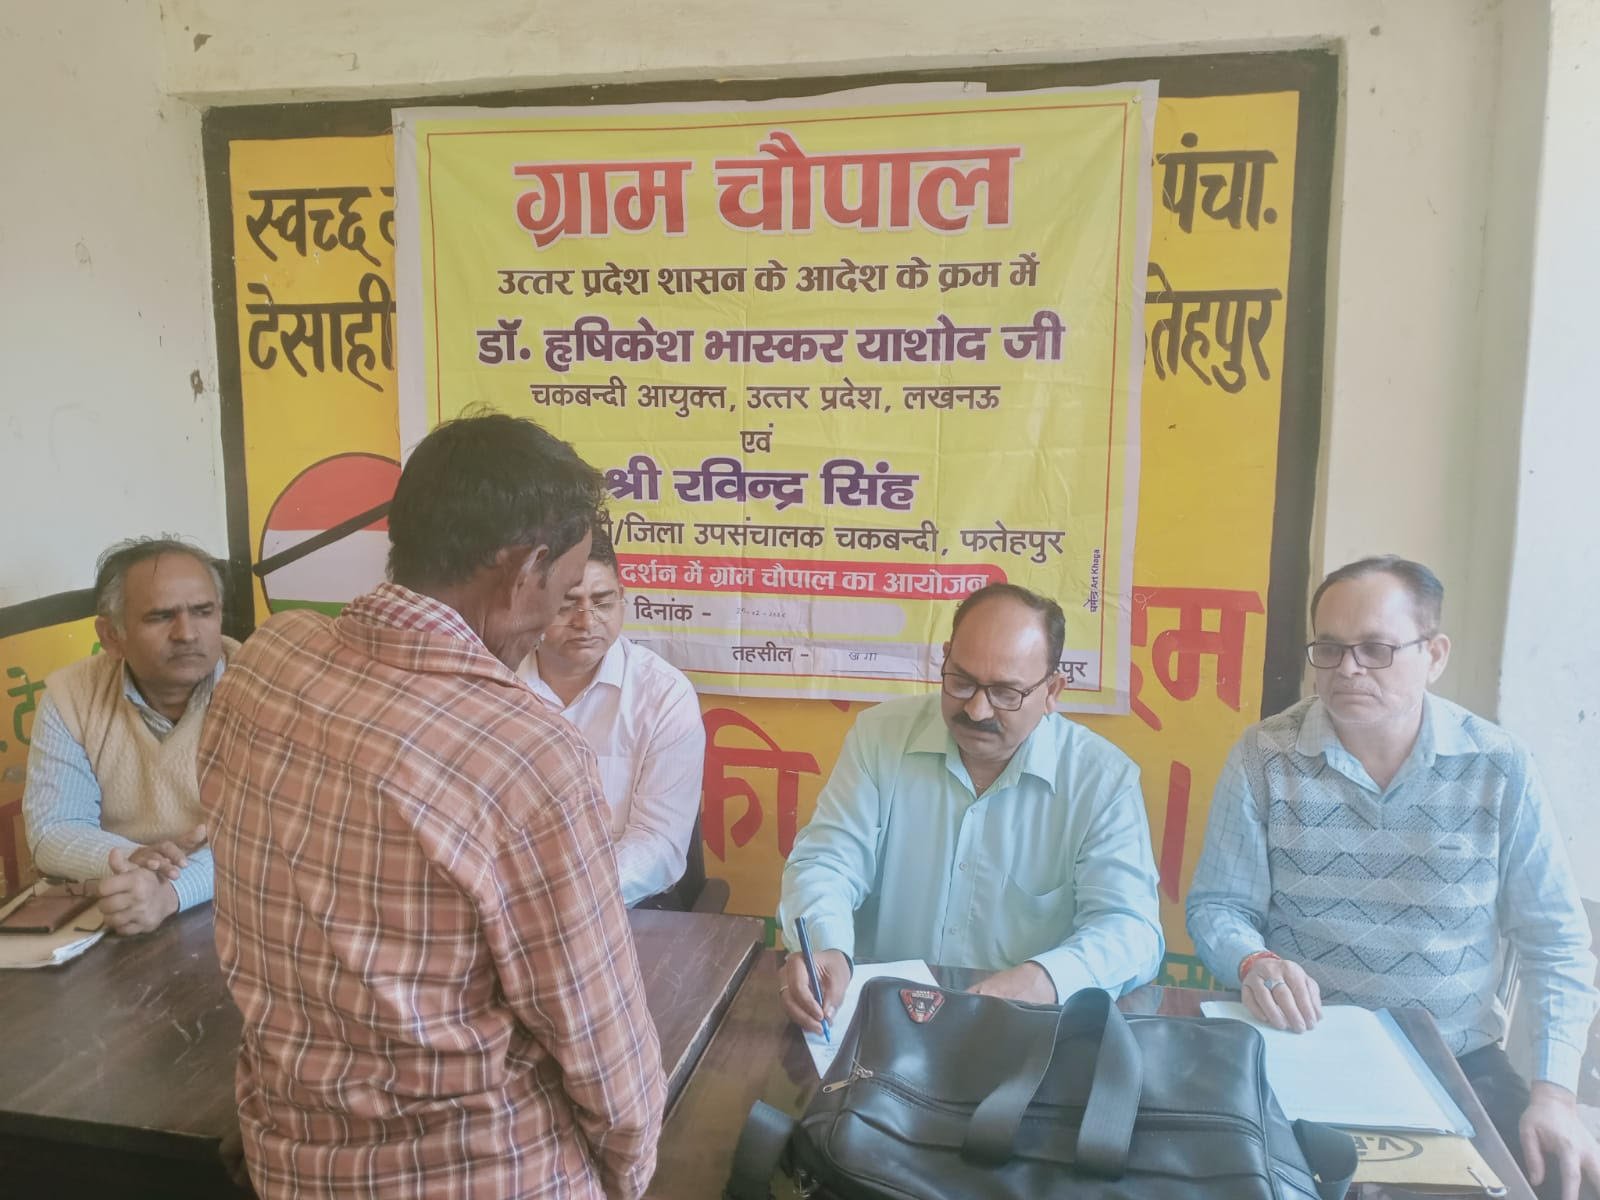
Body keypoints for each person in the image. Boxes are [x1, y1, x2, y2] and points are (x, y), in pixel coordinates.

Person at [198, 413, 664, 1200]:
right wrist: (630, 1174)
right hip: (483, 1172)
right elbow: (600, 1045)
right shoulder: (526, 752)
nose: (555, 626)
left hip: (289, 1160)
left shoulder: (265, 663)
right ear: (524, 570)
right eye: (560, 594)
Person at [1187, 555, 1600, 1200]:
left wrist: (1555, 1095)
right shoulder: (1265, 757)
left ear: (1433, 655)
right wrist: (1252, 960)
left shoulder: (1498, 767)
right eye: (1329, 648)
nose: (1348, 669)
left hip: (1455, 1060)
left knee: (1557, 1178)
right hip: (1298, 1046)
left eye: (1376, 649)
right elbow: (1218, 906)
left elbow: (1556, 941)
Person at [777, 582, 1163, 1029]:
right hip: (883, 1022)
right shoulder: (880, 738)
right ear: (945, 659)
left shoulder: (1101, 781)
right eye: (961, 682)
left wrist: (1046, 979)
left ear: (1052, 690)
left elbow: (1131, 927)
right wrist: (827, 947)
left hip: (1024, 1029)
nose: (977, 710)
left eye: (1006, 693)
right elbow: (828, 861)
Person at [22, 537, 231, 935]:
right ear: (111, 635)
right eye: (160, 617)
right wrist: (136, 860)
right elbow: (54, 829)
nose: (187, 633)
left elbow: (275, 840)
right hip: (123, 902)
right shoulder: (72, 696)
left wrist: (170, 889)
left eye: (203, 611)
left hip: (237, 909)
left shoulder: (266, 689)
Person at [517, 527, 705, 907]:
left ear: (622, 598)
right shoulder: (497, 684)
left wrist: (568, 895)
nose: (586, 622)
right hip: (509, 902)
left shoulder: (663, 696)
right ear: (534, 604)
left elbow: (659, 844)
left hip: (623, 906)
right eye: (567, 605)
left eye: (603, 603)